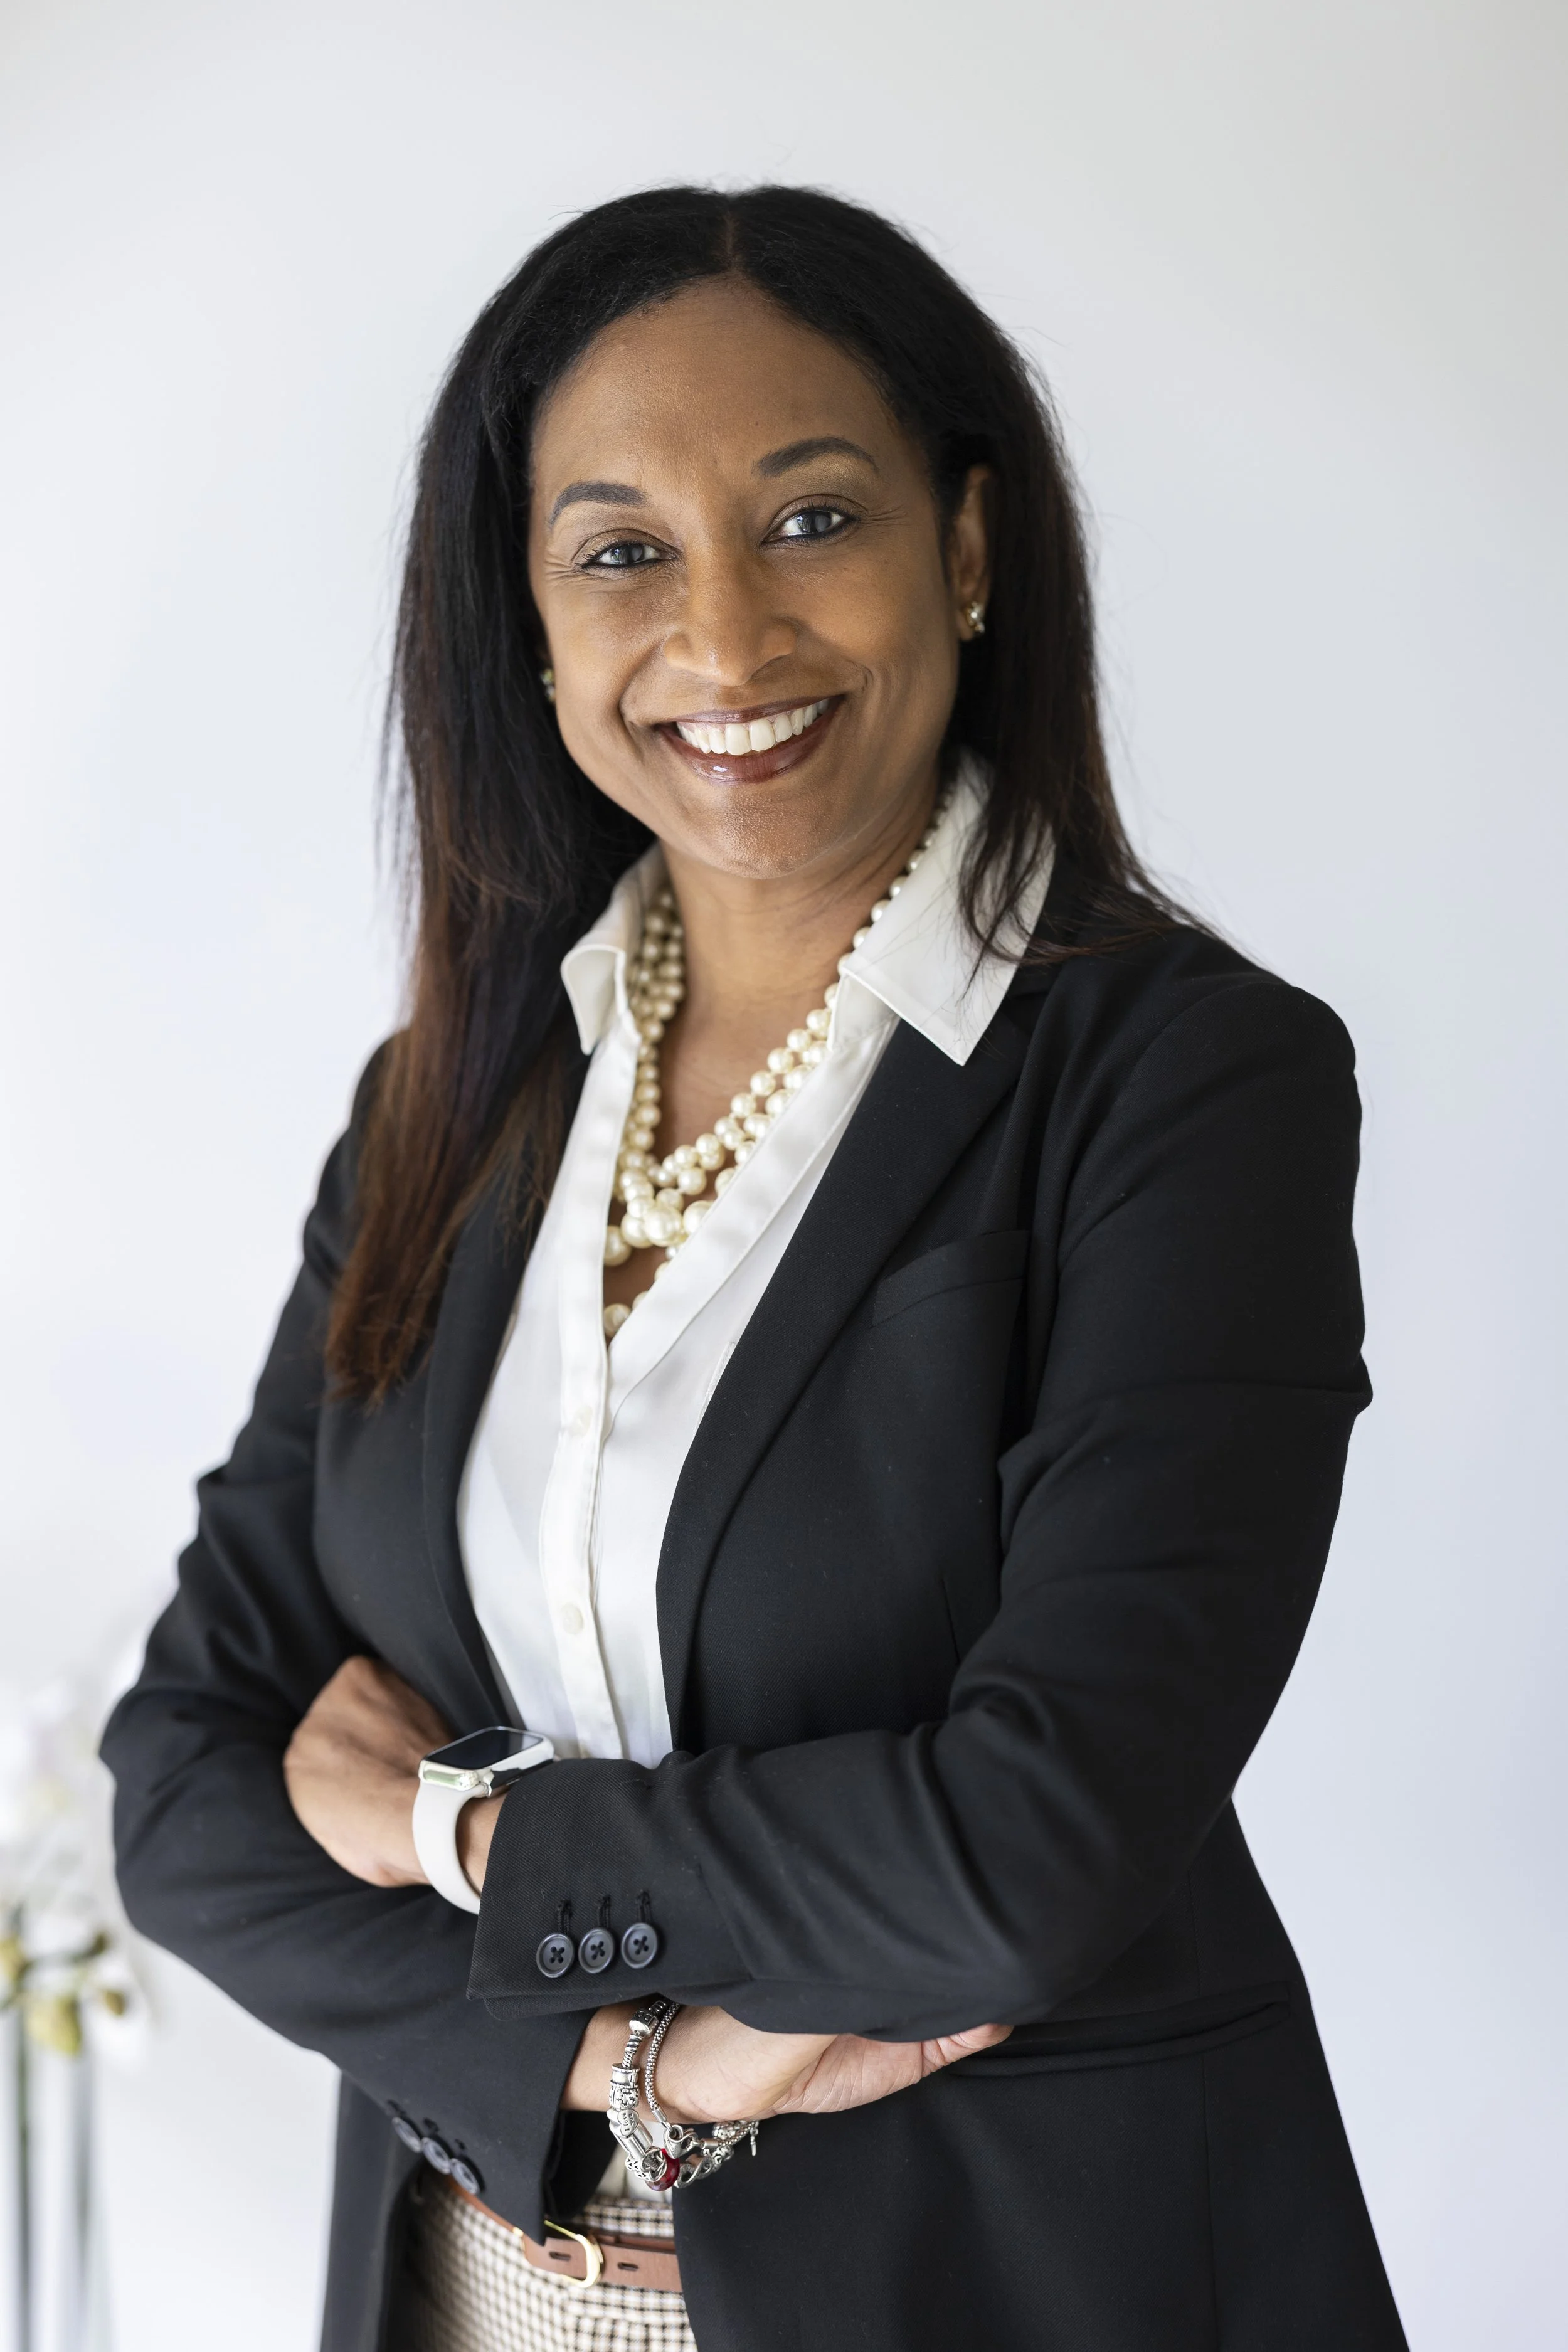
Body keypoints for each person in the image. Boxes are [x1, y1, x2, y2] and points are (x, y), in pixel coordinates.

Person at [102, 185, 1408, 2352]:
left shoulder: (1186, 1084)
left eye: (810, 520)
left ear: (967, 548)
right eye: (620, 550)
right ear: (524, 620)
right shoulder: (453, 1090)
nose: (722, 641)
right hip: (476, 2285)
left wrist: (461, 1836)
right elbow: (188, 1783)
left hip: (1013, 2289)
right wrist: (633, 2065)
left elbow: (1033, 1839)